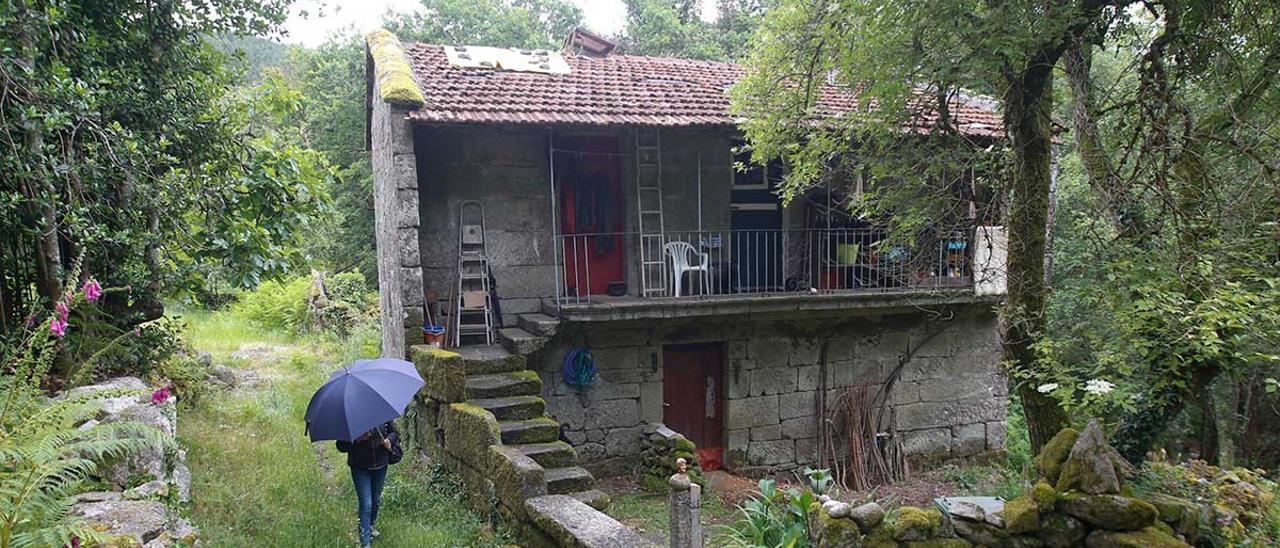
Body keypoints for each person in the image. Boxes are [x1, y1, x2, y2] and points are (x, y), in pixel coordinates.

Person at [336, 421, 399, 547]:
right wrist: (357, 439)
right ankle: (365, 541)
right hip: (360, 467)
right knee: (366, 503)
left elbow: (395, 432)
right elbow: (341, 446)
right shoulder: (350, 419)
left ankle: (369, 526)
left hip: (381, 465)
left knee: (376, 500)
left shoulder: (381, 413)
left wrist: (388, 441)